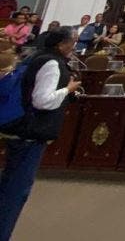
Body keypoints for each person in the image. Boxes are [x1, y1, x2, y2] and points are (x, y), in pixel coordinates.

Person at [0, 27, 82, 241]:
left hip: (22, 129)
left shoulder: (37, 57)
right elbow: (42, 100)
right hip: (30, 132)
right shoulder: (51, 63)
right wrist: (68, 89)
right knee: (15, 191)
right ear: (61, 44)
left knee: (8, 185)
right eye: (72, 42)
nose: (74, 46)